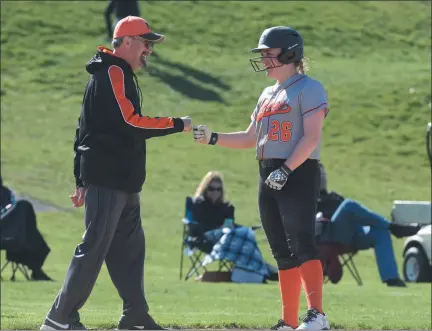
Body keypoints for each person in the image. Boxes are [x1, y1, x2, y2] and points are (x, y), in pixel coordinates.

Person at [40, 16, 192, 331]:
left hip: (122, 180)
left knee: (129, 250)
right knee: (94, 246)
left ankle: (135, 315)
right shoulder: (112, 71)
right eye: (145, 42)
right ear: (125, 42)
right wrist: (176, 123)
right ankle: (59, 317)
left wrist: (80, 179)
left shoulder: (112, 73)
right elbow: (130, 121)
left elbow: (84, 129)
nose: (149, 50)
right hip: (109, 178)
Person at [193, 26, 330, 330]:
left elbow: (310, 139)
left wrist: (287, 169)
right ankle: (289, 321)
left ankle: (317, 315)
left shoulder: (310, 88)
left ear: (291, 53)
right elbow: (249, 137)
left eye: (270, 53)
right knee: (281, 249)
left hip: (297, 171)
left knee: (302, 242)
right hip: (267, 171)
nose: (265, 59)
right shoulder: (267, 94)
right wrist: (213, 138)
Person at [316, 164, 421, 287]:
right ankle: (393, 227)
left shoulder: (334, 196)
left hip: (354, 234)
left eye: (323, 175)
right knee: (349, 205)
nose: (322, 178)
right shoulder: (310, 200)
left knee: (380, 232)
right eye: (319, 175)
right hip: (332, 237)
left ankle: (391, 278)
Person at [184, 171, 278, 282]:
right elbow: (197, 226)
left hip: (227, 240)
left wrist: (226, 228)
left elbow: (229, 225)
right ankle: (267, 271)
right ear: (205, 189)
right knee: (244, 237)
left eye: (218, 189)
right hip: (204, 240)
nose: (215, 192)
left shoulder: (227, 207)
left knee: (245, 235)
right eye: (211, 189)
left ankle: (262, 270)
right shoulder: (197, 204)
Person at [0, 177, 52, 281]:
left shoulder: (6, 194)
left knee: (24, 207)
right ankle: (36, 271)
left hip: (12, 235)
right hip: (13, 236)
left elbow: (9, 208)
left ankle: (36, 271)